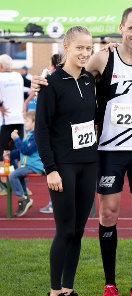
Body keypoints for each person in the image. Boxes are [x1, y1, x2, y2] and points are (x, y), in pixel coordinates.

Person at [31, 7, 132, 296]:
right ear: (122, 28)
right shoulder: (102, 58)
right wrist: (43, 80)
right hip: (107, 149)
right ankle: (108, 286)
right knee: (105, 215)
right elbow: (68, 74)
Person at [35, 25, 98, 296]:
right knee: (64, 230)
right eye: (80, 48)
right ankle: (53, 295)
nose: (85, 52)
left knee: (78, 230)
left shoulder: (89, 80)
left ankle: (68, 291)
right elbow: (42, 131)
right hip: (63, 167)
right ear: (66, 47)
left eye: (89, 48)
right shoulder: (51, 83)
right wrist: (51, 169)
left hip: (88, 164)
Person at [33, 54, 63, 214]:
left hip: (62, 144)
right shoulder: (47, 80)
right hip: (55, 143)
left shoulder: (50, 77)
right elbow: (41, 128)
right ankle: (53, 203)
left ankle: (53, 203)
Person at [7, 110, 44, 217]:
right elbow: (20, 151)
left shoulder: (36, 136)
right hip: (26, 165)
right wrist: (10, 154)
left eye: (27, 121)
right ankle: (25, 198)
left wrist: (16, 139)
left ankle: (23, 198)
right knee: (19, 176)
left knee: (13, 175)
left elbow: (26, 150)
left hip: (34, 166)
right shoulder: (29, 135)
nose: (25, 123)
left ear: (34, 122)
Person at [0, 54, 25, 194]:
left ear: (1, 66)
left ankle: (4, 185)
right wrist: (26, 103)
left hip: (6, 120)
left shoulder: (0, 77)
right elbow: (33, 86)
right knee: (19, 153)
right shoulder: (18, 76)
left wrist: (1, 105)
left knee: (2, 153)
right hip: (19, 119)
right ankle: (23, 186)